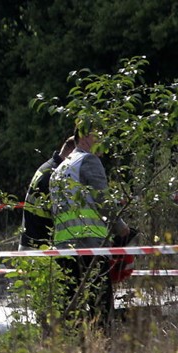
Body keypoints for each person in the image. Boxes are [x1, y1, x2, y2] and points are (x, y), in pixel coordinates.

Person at [50, 123, 130, 327]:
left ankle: (72, 348)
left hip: (64, 246)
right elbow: (103, 202)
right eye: (99, 137)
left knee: (70, 302)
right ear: (85, 137)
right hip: (90, 243)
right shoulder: (89, 161)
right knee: (100, 301)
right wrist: (120, 228)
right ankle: (103, 346)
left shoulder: (60, 168)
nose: (102, 143)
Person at [19, 136, 76, 250]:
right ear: (71, 152)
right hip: (39, 248)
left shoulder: (48, 167)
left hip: (30, 243)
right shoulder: (56, 174)